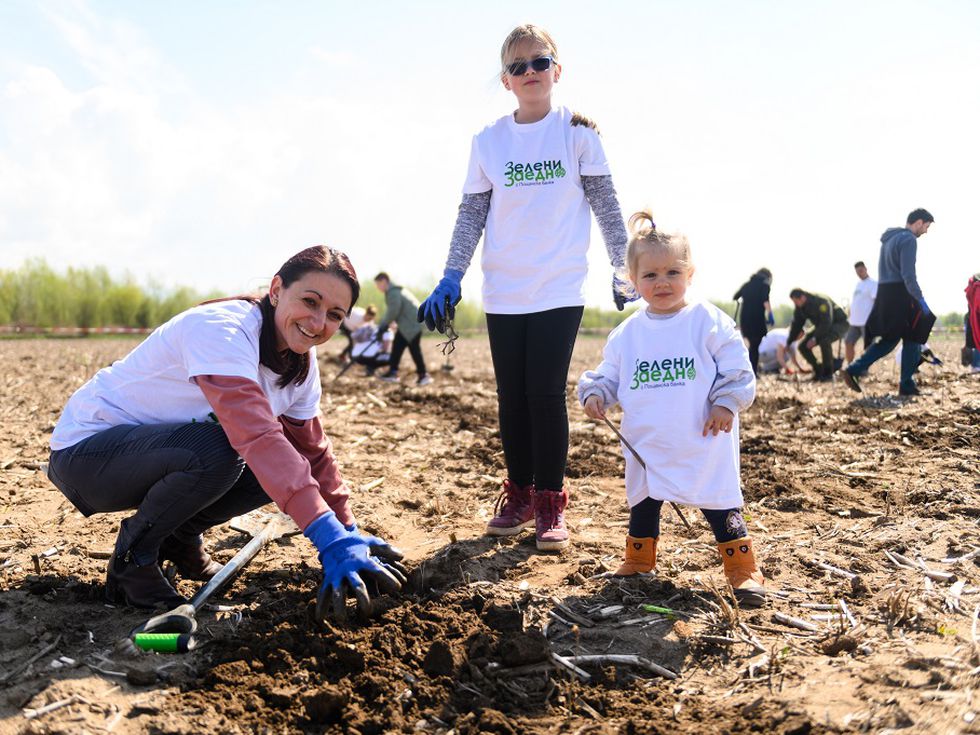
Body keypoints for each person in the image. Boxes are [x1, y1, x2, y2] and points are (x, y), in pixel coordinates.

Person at [46, 246, 406, 620]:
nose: (317, 323)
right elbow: (258, 438)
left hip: (158, 456)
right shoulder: (223, 331)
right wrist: (327, 538)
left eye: (334, 315)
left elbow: (313, 454)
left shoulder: (300, 363)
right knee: (223, 450)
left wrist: (347, 531)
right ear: (277, 289)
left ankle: (178, 539)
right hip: (87, 457)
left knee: (280, 460)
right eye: (310, 302)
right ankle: (131, 560)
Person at [415, 24, 633, 552]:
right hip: (504, 289)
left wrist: (623, 266)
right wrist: (452, 274)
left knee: (544, 393)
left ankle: (550, 500)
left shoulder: (578, 134)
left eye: (539, 62)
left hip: (559, 287)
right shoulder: (488, 141)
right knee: (511, 397)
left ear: (557, 70)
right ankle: (518, 494)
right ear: (506, 80)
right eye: (517, 66)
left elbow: (606, 206)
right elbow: (471, 213)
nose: (530, 71)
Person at [577, 211, 764, 607]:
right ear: (633, 280)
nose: (662, 282)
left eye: (672, 272)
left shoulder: (708, 321)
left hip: (703, 437)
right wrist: (597, 394)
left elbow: (736, 369)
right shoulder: (627, 334)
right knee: (644, 500)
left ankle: (742, 568)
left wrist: (726, 402)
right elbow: (609, 375)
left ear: (690, 274)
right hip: (649, 442)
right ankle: (639, 559)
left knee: (719, 501)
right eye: (650, 275)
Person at [840, 209, 935, 396]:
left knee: (893, 339)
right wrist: (920, 299)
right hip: (901, 292)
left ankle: (855, 369)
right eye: (926, 226)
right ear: (918, 222)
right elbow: (908, 275)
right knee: (914, 334)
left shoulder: (890, 239)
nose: (925, 231)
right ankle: (905, 384)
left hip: (886, 292)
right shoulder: (909, 239)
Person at [374, 272, 432, 386]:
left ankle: (400, 373)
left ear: (384, 281)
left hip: (411, 325)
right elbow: (398, 311)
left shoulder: (393, 292)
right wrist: (387, 325)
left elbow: (393, 310)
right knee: (404, 348)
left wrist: (383, 325)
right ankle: (418, 374)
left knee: (407, 348)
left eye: (378, 284)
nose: (377, 287)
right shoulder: (396, 290)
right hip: (412, 323)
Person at [787, 288, 849, 381]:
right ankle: (819, 370)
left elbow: (826, 322)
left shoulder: (821, 301)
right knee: (803, 346)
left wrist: (815, 338)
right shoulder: (800, 308)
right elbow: (797, 325)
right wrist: (789, 342)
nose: (795, 304)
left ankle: (828, 373)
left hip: (839, 323)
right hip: (821, 326)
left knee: (825, 341)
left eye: (796, 301)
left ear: (802, 297)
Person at [733, 268, 774, 376]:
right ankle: (752, 372)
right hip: (757, 320)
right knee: (754, 347)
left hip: (745, 320)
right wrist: (770, 314)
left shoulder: (747, 285)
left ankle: (749, 370)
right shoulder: (765, 285)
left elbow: (735, 297)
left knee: (752, 346)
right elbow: (765, 300)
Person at [844, 261, 878, 364]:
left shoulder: (873, 284)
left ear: (865, 269)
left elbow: (877, 302)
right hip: (854, 321)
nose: (859, 273)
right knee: (848, 342)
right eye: (857, 271)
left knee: (868, 346)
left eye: (861, 270)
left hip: (866, 322)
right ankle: (850, 366)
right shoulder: (858, 284)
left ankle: (864, 367)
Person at [350, 306, 393, 376]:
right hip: (367, 357)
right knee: (392, 357)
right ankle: (372, 367)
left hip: (355, 356)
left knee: (375, 353)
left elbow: (354, 336)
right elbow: (385, 349)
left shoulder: (373, 327)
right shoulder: (388, 332)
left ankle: (370, 369)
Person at [965, 274, 980, 373]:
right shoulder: (977, 288)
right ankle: (975, 366)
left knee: (975, 343)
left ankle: (975, 365)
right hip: (975, 319)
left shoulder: (972, 289)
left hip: (972, 319)